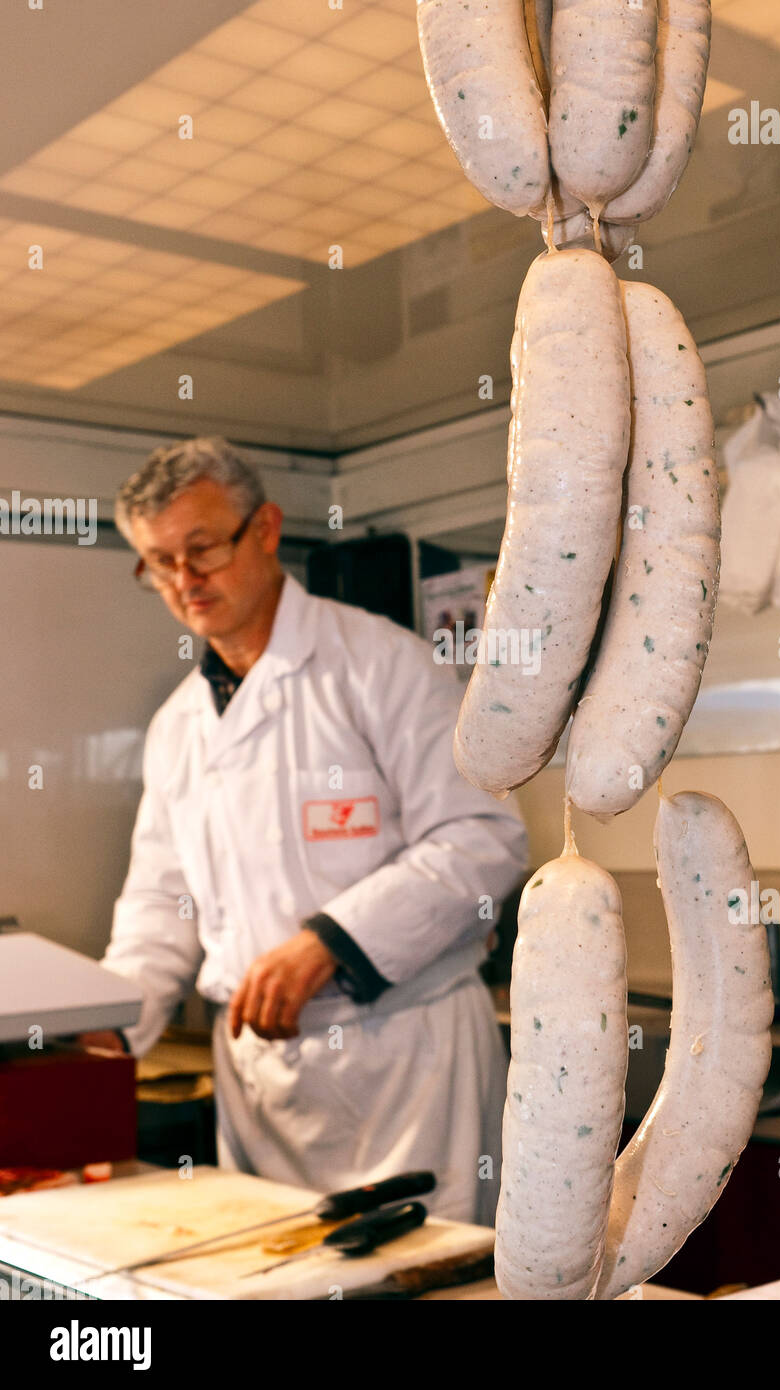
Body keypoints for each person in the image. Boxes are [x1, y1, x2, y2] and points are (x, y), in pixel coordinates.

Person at [81, 436, 527, 1225]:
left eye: (201, 549)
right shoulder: (176, 726)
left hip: (408, 1066)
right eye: (157, 562)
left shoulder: (383, 665)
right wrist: (107, 1034)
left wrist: (325, 943)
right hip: (263, 1090)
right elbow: (159, 907)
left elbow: (484, 836)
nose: (185, 581)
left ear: (266, 529)